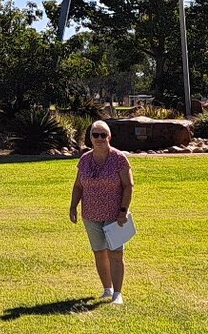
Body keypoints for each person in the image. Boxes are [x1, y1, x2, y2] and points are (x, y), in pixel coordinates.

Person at [69, 120, 133, 305]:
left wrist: (123, 210)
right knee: (99, 252)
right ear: (90, 138)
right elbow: (78, 186)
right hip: (90, 214)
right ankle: (107, 289)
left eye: (103, 135)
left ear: (109, 137)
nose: (99, 138)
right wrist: (73, 206)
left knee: (115, 253)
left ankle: (117, 294)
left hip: (115, 215)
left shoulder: (119, 158)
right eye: (95, 135)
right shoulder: (85, 159)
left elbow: (128, 186)